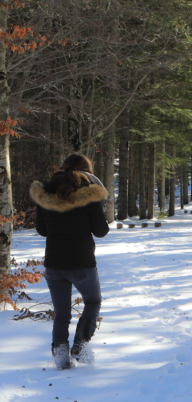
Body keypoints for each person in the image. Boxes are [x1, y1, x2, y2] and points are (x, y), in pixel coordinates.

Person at [30, 153, 109, 370]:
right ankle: (80, 345)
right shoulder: (89, 195)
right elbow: (101, 231)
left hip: (54, 263)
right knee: (92, 302)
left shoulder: (45, 193)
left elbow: (42, 230)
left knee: (62, 313)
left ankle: (62, 357)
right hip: (82, 262)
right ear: (87, 171)